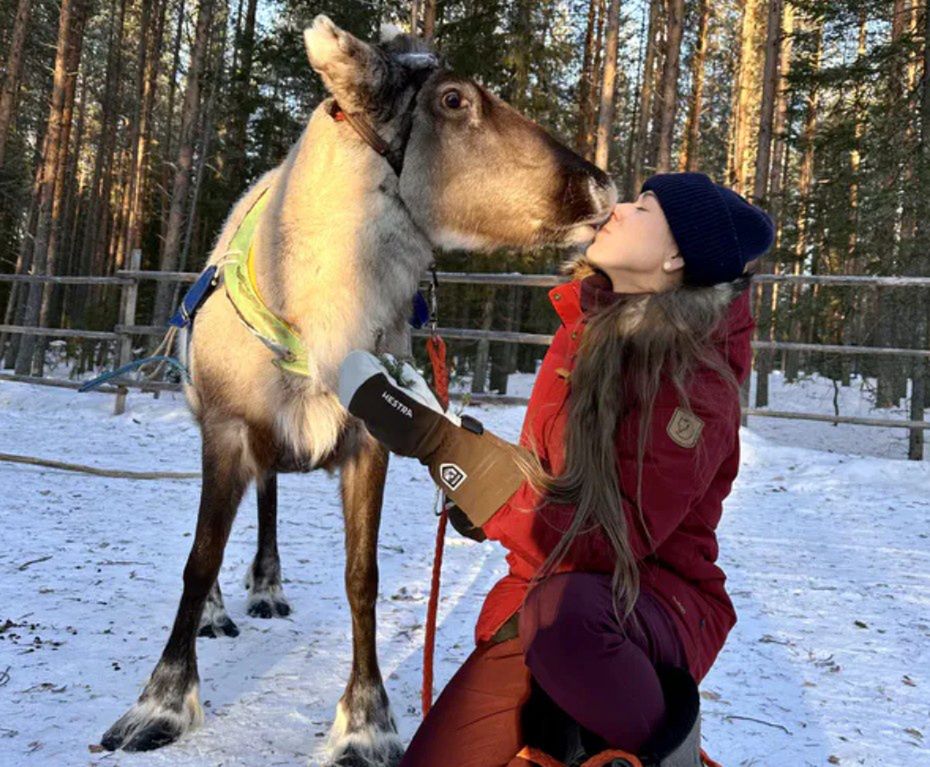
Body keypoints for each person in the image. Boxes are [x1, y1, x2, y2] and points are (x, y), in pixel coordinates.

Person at [338, 171, 775, 767]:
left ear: (676, 257)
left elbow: (604, 538)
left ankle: (663, 754)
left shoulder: (694, 382)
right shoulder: (584, 331)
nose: (616, 210)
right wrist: (475, 493)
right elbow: (544, 477)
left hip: (646, 604)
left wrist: (445, 449)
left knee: (566, 614)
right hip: (541, 599)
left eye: (643, 208)